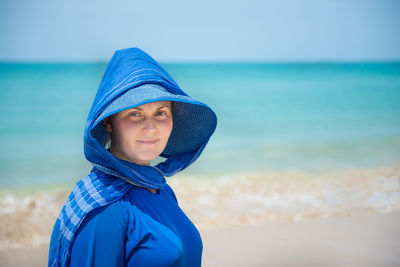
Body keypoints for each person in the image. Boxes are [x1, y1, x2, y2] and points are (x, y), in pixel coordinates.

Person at [48, 47, 217, 267]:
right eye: (135, 114)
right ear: (109, 122)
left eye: (160, 113)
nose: (150, 128)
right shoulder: (106, 210)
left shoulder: (160, 188)